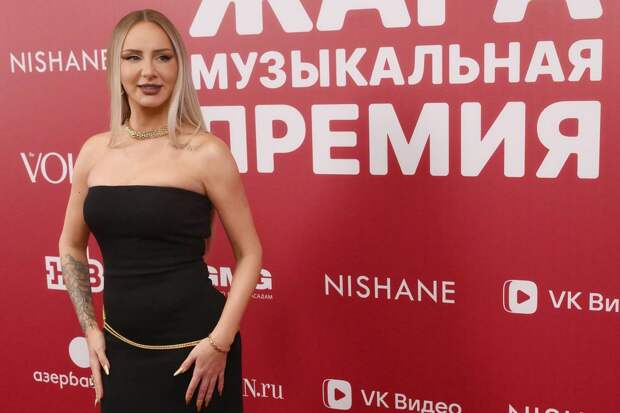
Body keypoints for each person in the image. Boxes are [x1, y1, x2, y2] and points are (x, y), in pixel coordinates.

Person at [57, 9, 262, 412]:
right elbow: (70, 244)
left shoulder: (206, 152)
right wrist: (91, 329)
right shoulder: (94, 152)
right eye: (133, 57)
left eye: (163, 57)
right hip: (119, 349)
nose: (148, 71)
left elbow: (250, 253)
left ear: (179, 66)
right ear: (116, 67)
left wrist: (219, 342)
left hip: (197, 353)